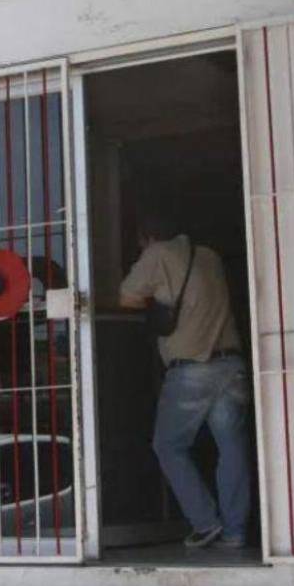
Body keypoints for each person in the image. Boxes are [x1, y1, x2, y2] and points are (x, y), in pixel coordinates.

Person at [118, 211, 251, 549]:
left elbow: (126, 297)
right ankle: (235, 532)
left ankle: (205, 522)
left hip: (192, 369)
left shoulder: (157, 254)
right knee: (231, 448)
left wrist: (154, 296)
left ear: (147, 238)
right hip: (231, 364)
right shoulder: (210, 256)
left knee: (169, 446)